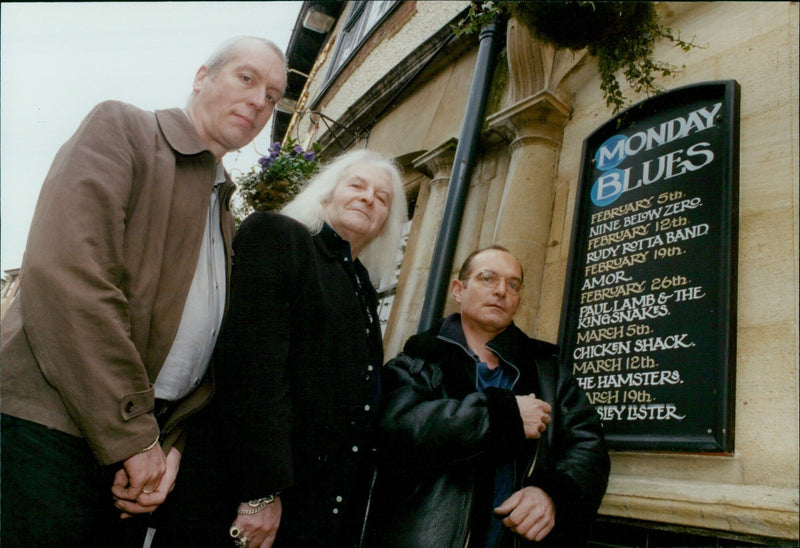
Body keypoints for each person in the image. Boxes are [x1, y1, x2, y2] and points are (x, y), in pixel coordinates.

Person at [0, 36, 287, 547]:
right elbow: (68, 278)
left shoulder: (223, 209)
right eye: (247, 79)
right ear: (202, 77)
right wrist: (135, 437)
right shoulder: (125, 128)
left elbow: (202, 352)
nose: (259, 101)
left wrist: (169, 444)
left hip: (135, 458)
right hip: (50, 433)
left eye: (273, 95)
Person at [153, 148, 408, 548]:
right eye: (356, 185)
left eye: (382, 197)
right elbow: (252, 371)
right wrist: (260, 493)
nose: (368, 198)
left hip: (305, 514)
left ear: (384, 225)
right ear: (326, 194)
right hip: (238, 501)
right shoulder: (280, 236)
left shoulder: (360, 286)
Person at [366, 246, 610, 547]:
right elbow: (398, 431)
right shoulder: (416, 363)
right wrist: (504, 416)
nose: (501, 291)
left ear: (519, 300)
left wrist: (551, 493)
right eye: (488, 278)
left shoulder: (547, 371)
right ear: (459, 289)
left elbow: (588, 446)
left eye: (513, 284)